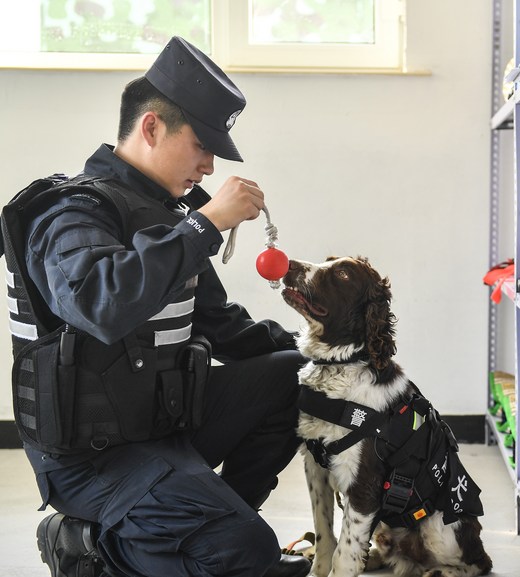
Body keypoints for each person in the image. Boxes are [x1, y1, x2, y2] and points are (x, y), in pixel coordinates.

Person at [5, 37, 311, 577]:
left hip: (158, 422)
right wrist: (206, 224)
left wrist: (321, 357)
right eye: (201, 146)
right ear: (151, 128)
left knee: (295, 377)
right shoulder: (72, 212)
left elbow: (220, 326)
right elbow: (97, 302)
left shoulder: (166, 217)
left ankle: (216, 527)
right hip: (91, 457)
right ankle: (87, 544)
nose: (209, 167)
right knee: (248, 555)